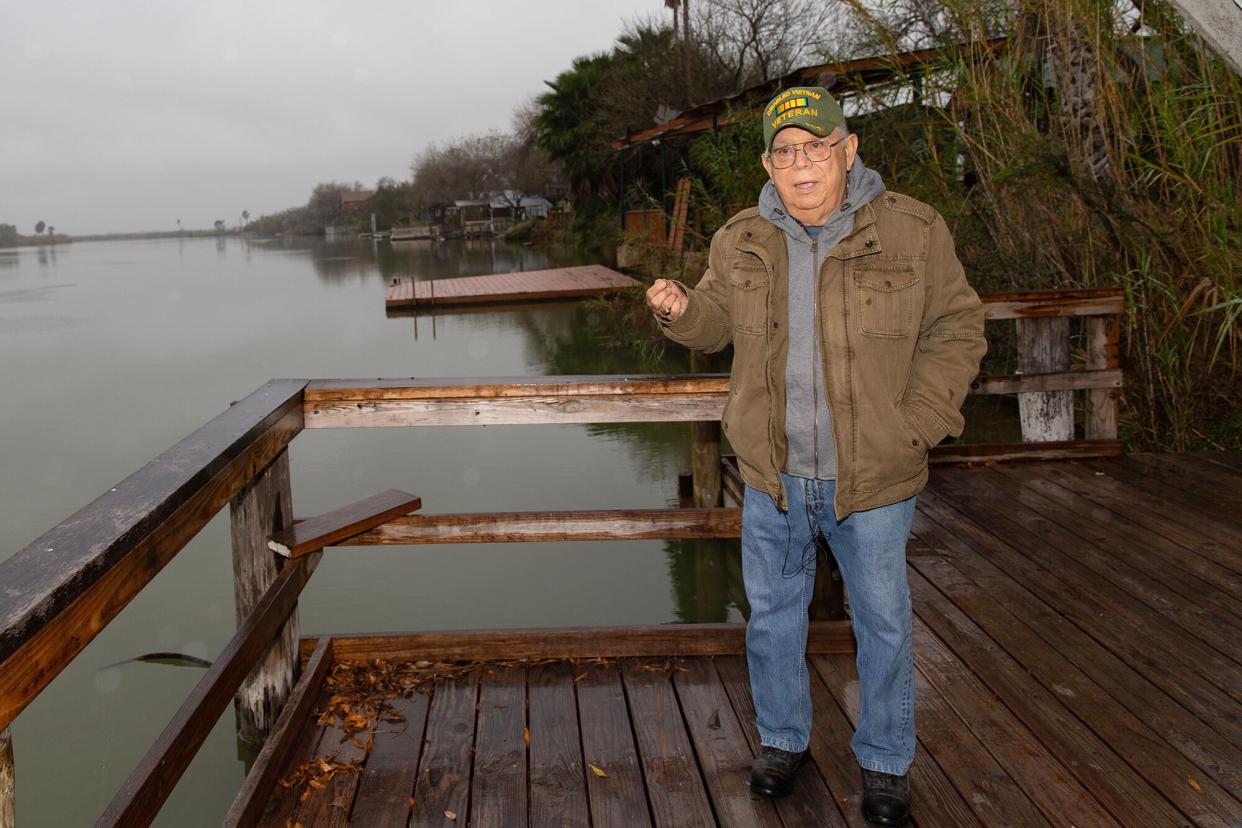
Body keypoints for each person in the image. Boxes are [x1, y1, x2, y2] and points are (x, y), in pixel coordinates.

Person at [646, 86, 986, 826]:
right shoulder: (739, 238)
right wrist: (679, 310)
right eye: (786, 152)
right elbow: (712, 324)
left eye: (816, 147)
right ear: (768, 164)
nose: (802, 164)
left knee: (885, 623)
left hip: (875, 479)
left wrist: (919, 423)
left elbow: (958, 329)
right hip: (773, 476)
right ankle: (782, 742)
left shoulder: (915, 231)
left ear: (848, 148)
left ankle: (887, 761)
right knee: (771, 619)